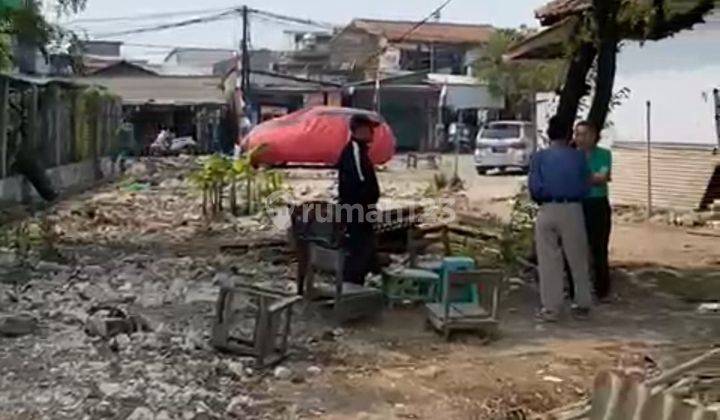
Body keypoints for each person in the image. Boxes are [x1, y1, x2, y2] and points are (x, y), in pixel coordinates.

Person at [529, 117, 593, 322]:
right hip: (572, 208)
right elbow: (586, 186)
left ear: (549, 134)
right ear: (569, 136)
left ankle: (551, 308)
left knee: (548, 261)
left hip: (547, 208)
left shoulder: (539, 158)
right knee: (577, 259)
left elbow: (534, 187)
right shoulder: (579, 157)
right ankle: (582, 304)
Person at [337, 114, 381, 286]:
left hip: (362, 210)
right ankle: (351, 289)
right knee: (357, 251)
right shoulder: (354, 151)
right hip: (356, 211)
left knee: (364, 251)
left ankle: (358, 285)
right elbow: (359, 183)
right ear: (360, 131)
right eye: (370, 129)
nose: (372, 133)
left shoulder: (360, 151)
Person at [573, 121, 613, 302]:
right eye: (578, 134)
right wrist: (590, 177)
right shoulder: (572, 156)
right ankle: (577, 290)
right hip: (577, 204)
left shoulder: (604, 154)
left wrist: (583, 177)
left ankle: (602, 290)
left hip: (598, 204)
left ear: (594, 136)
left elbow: (601, 178)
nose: (580, 138)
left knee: (599, 249)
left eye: (584, 134)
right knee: (576, 248)